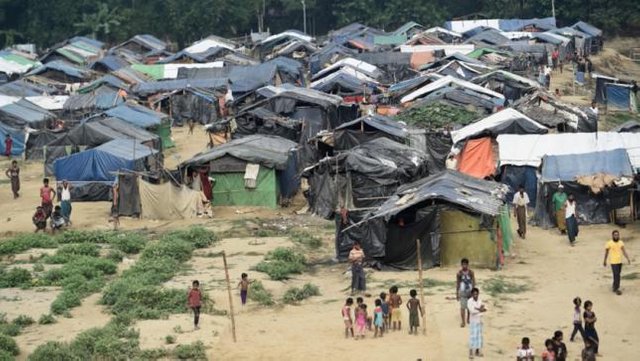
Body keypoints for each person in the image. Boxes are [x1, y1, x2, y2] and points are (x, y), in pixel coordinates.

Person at [603, 230, 631, 295]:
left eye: (617, 235)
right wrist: (604, 260)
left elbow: (624, 251)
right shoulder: (609, 243)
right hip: (613, 262)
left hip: (619, 262)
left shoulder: (621, 242)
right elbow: (606, 252)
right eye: (615, 235)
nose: (616, 236)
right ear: (612, 235)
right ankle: (617, 289)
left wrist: (628, 258)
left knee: (617, 274)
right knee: (616, 274)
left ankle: (614, 285)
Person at [467, 288, 487, 359]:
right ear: (472, 294)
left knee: (479, 337)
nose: (475, 295)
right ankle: (470, 353)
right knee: (472, 337)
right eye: (474, 294)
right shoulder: (469, 301)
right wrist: (480, 310)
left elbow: (485, 308)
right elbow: (472, 311)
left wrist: (478, 309)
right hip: (473, 321)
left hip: (479, 321)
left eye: (476, 294)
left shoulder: (480, 300)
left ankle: (477, 351)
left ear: (478, 294)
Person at [456, 258, 476, 328]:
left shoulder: (471, 272)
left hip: (470, 292)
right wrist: (457, 293)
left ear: (467, 265)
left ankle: (468, 318)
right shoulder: (459, 273)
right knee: (462, 307)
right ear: (461, 265)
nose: (464, 266)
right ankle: (463, 321)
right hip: (462, 292)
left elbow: (473, 282)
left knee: (469, 307)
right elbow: (458, 283)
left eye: (465, 264)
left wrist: (474, 292)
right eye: (463, 264)